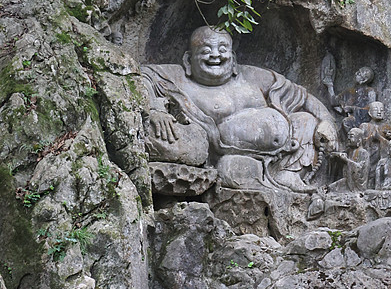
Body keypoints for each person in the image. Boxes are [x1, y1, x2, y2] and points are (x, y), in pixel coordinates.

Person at [142, 26, 338, 191]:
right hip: (231, 156)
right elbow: (141, 76)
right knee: (230, 170)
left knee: (306, 120)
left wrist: (327, 122)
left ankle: (289, 174)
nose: (216, 54)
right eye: (206, 49)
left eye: (222, 48)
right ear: (188, 60)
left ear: (233, 57)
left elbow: (303, 96)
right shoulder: (177, 77)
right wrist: (155, 108)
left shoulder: (253, 76)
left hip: (287, 152)